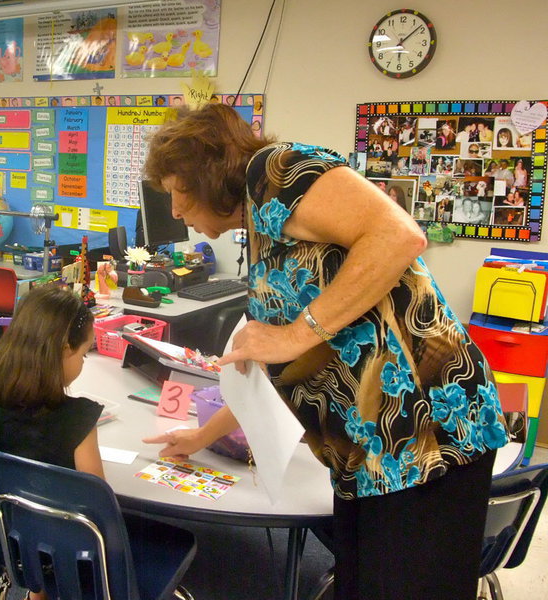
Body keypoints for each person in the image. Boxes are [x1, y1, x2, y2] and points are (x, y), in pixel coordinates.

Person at [141, 103, 508, 600]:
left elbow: (399, 234)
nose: (176, 211)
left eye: (176, 192)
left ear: (205, 173)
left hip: (427, 436)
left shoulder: (275, 169)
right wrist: (204, 434)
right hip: (368, 455)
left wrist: (295, 332)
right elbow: (269, 372)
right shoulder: (264, 232)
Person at [0, 285, 102, 600]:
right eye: (84, 353)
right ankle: (39, 590)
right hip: (54, 543)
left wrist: (9, 466)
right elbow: (94, 497)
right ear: (63, 349)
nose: (84, 363)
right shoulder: (80, 419)